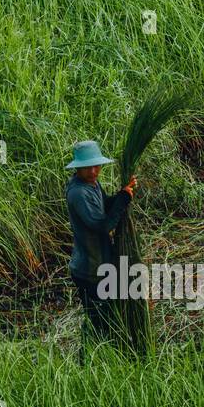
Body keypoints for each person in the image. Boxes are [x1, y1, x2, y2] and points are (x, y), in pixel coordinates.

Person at [65, 139, 137, 339]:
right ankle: (91, 358)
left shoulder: (92, 184)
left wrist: (124, 192)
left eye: (96, 166)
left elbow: (105, 206)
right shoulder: (78, 192)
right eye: (88, 167)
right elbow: (102, 225)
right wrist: (123, 199)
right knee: (101, 323)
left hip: (100, 265)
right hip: (89, 271)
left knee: (106, 318)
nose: (94, 171)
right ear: (78, 168)